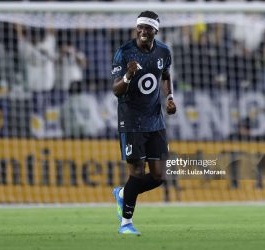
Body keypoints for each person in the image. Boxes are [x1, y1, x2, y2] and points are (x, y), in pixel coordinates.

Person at [111, 10, 176, 235]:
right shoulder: (124, 53)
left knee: (160, 175)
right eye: (140, 27)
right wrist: (128, 76)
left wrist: (169, 98)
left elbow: (165, 76)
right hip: (131, 121)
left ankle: (122, 194)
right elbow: (116, 91)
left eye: (147, 28)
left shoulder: (164, 52)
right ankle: (126, 223)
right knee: (136, 173)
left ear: (155, 30)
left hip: (155, 121)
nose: (143, 31)